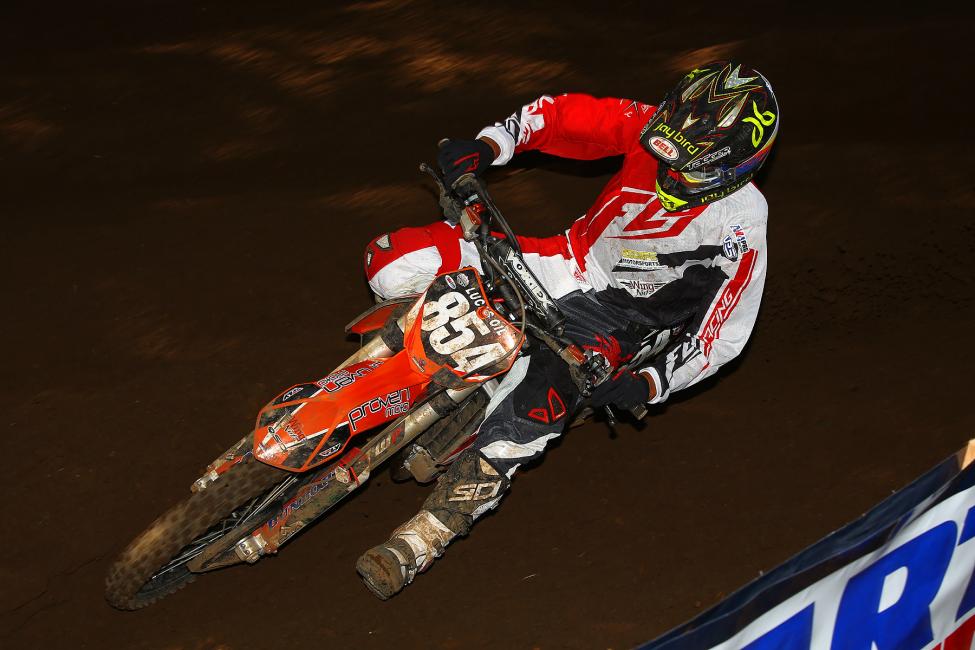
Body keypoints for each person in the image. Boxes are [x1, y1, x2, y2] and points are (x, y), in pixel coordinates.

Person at [355, 61, 779, 599]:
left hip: (618, 322)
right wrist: (490, 145)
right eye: (667, 148)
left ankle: (424, 536)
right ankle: (378, 378)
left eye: (687, 165)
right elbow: (562, 118)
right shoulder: (654, 126)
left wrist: (652, 381)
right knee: (390, 263)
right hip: (561, 258)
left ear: (733, 167)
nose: (668, 169)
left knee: (531, 411)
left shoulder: (742, 224)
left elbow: (724, 334)